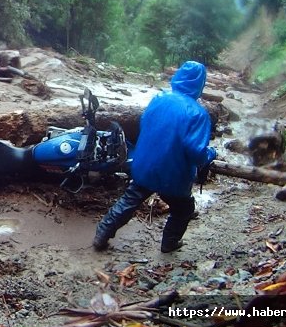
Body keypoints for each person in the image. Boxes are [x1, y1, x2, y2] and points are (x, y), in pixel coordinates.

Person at [92, 60, 216, 253]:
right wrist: (209, 155)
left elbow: (145, 125)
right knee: (183, 210)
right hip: (174, 173)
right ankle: (169, 244)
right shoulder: (198, 113)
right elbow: (196, 151)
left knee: (130, 199)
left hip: (145, 164)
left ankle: (102, 233)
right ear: (200, 84)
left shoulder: (158, 98)